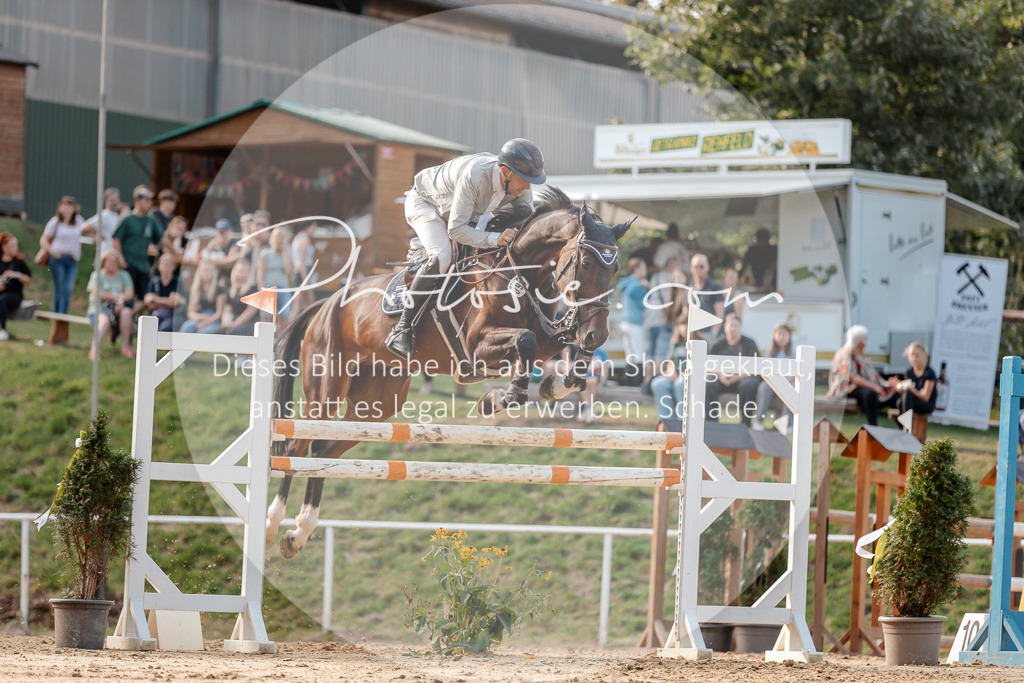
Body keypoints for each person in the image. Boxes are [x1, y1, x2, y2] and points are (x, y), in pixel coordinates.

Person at [385, 138, 545, 357]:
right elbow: (456, 231)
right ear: (507, 173)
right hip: (426, 204)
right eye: (524, 180)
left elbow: (524, 219)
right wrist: (495, 238)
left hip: (462, 215)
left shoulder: (517, 186)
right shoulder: (476, 175)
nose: (528, 187)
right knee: (442, 256)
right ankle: (402, 328)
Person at [827, 324, 896, 426]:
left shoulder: (858, 354)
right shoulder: (845, 354)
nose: (865, 345)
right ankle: (873, 427)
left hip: (858, 387)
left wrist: (886, 383)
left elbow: (871, 374)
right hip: (846, 389)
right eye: (865, 342)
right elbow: (852, 377)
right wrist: (874, 386)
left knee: (892, 394)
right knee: (870, 394)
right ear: (860, 343)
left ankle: (902, 427)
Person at [113, 186, 163, 314]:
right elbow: (116, 239)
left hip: (143, 266)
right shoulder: (127, 219)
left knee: (146, 297)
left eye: (150, 200)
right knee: (127, 297)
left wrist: (175, 252)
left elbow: (162, 239)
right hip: (127, 264)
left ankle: (127, 318)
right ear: (137, 201)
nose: (149, 203)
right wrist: (120, 259)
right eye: (146, 200)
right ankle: (122, 320)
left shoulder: (151, 220)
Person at [706, 313, 761, 426]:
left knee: (749, 384)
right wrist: (720, 375)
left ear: (740, 327)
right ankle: (711, 423)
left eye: (735, 325)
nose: (732, 329)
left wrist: (738, 376)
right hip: (722, 379)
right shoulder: (718, 345)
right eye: (730, 325)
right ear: (725, 327)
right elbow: (710, 365)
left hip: (742, 379)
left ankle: (745, 423)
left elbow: (756, 367)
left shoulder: (749, 344)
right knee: (708, 382)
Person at [40, 195, 85, 314]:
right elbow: (43, 239)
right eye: (64, 206)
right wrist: (53, 253)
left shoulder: (79, 221)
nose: (67, 209)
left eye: (70, 206)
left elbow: (88, 230)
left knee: (68, 288)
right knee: (60, 288)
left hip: (72, 260)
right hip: (57, 258)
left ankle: (62, 315)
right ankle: (58, 315)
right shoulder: (55, 222)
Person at [87, 249, 135, 360]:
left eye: (115, 261)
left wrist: (119, 301)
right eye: (109, 261)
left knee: (127, 312)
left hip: (119, 310)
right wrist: (117, 297)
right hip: (99, 310)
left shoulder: (124, 275)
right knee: (104, 320)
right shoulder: (96, 275)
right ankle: (94, 350)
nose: (112, 263)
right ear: (103, 262)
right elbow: (97, 293)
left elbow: (129, 294)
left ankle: (126, 347)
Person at [651, 314, 698, 423]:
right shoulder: (676, 343)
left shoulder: (700, 342)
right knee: (658, 383)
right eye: (681, 325)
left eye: (687, 325)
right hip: (675, 376)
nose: (684, 328)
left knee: (680, 383)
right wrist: (671, 372)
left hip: (690, 378)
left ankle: (682, 422)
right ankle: (666, 422)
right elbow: (670, 361)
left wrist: (684, 374)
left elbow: (701, 365)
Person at [753, 323, 795, 431]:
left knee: (793, 388)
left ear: (789, 336)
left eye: (784, 334)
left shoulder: (794, 351)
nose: (781, 337)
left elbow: (796, 371)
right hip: (773, 381)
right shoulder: (770, 352)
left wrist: (786, 380)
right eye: (779, 334)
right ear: (774, 336)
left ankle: (787, 423)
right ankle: (759, 420)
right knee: (764, 387)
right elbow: (766, 369)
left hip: (789, 381)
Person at [893, 341, 937, 441]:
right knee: (899, 401)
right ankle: (904, 427)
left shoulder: (929, 373)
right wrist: (900, 387)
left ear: (924, 356)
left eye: (917, 355)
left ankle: (906, 428)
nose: (913, 358)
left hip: (926, 404)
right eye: (911, 355)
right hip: (911, 402)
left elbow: (926, 397)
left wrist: (912, 389)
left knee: (907, 395)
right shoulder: (909, 371)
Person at [617, 257, 648, 380]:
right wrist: (647, 288)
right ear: (637, 269)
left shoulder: (626, 282)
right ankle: (636, 383)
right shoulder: (637, 285)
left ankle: (628, 381)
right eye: (643, 267)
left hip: (624, 322)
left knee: (629, 354)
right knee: (639, 355)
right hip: (635, 323)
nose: (645, 270)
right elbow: (644, 304)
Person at [180, 259, 227, 334]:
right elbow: (191, 313)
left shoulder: (219, 289)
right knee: (187, 327)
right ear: (199, 272)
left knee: (203, 332)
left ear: (214, 272)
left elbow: (219, 314)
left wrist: (205, 322)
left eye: (209, 270)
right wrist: (202, 318)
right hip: (200, 316)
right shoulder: (195, 289)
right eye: (204, 270)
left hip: (214, 319)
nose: (206, 273)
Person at [0, 232, 32, 341]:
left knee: (2, 300)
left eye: (16, 245)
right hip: (1, 292)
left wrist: (17, 275)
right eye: (12, 246)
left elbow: (29, 280)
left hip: (14, 295)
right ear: (4, 247)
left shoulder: (19, 262)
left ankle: (3, 330)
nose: (15, 248)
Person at [257, 226, 294, 320]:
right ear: (272, 239)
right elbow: (260, 273)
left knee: (284, 317)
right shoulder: (265, 254)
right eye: (277, 237)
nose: (279, 240)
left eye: (282, 237)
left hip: (283, 288)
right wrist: (261, 290)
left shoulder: (288, 255)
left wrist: (285, 253)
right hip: (269, 288)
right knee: (266, 317)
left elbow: (288, 271)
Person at [143, 253, 186, 332]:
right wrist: (168, 300)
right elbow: (148, 302)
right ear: (159, 266)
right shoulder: (154, 281)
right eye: (164, 264)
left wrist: (156, 299)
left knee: (163, 329)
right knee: (148, 328)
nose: (166, 266)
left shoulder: (177, 281)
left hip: (174, 315)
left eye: (168, 264)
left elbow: (174, 303)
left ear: (174, 267)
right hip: (157, 314)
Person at [220, 260, 259, 336]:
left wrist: (234, 324)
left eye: (244, 271)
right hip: (234, 322)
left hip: (249, 323)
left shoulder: (253, 289)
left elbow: (250, 311)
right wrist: (225, 323)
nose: (241, 273)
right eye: (239, 270)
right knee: (217, 332)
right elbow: (227, 309)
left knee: (232, 332)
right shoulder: (231, 290)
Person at [689, 253, 724, 337]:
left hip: (709, 333)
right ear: (691, 268)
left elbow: (720, 313)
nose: (698, 269)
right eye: (695, 267)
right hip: (693, 334)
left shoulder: (715, 287)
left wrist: (713, 334)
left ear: (708, 267)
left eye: (701, 266)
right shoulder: (689, 287)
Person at [83, 187, 121, 254]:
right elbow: (84, 228)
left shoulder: (118, 216)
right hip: (106, 253)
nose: (114, 202)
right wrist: (98, 237)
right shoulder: (104, 215)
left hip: (116, 255)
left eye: (115, 200)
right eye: (112, 200)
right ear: (106, 201)